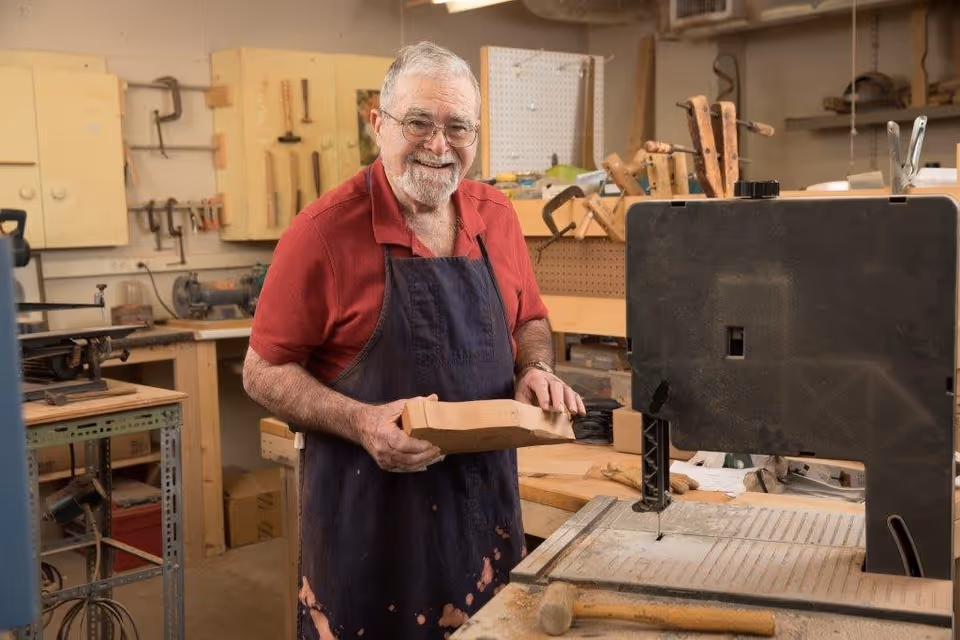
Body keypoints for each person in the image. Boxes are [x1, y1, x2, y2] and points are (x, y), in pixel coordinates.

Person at [242, 40, 585, 640]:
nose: (438, 144)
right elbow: (262, 371)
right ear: (379, 123)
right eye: (419, 122)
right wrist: (361, 422)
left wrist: (536, 368)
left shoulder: (496, 215)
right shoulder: (321, 233)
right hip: (370, 529)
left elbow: (529, 319)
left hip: (484, 517)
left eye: (458, 127)